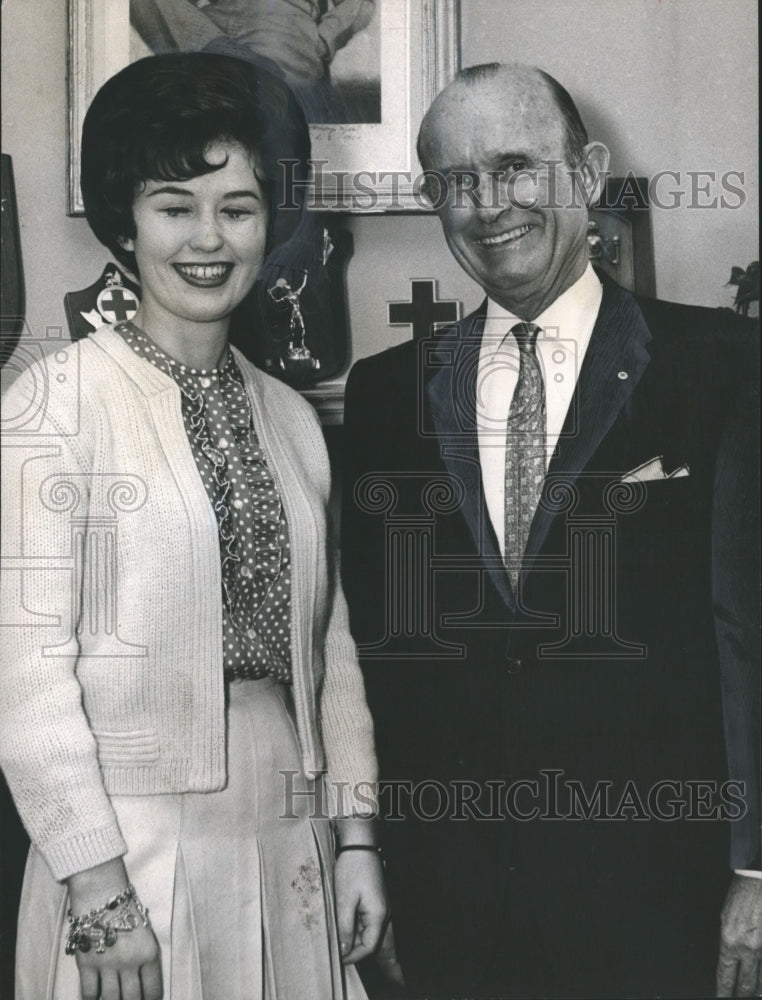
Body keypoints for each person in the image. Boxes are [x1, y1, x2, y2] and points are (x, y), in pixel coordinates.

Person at [341, 63, 761, 998]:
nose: (489, 205)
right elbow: (367, 655)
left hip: (668, 900)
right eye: (455, 181)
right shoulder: (382, 396)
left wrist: (758, 869)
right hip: (454, 906)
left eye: (517, 166)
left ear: (588, 170)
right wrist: (371, 855)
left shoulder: (726, 370)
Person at [0, 52, 388, 1000]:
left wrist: (356, 836)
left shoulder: (290, 415)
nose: (208, 238)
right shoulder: (54, 401)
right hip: (124, 845)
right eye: (175, 206)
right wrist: (96, 886)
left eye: (239, 208)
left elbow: (331, 647)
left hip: (283, 824)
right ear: (125, 225)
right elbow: (24, 668)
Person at [130, 0, 377, 122]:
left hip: (279, 24)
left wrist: (323, 40)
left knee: (260, 141)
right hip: (206, 26)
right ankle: (216, 52)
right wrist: (203, 37)